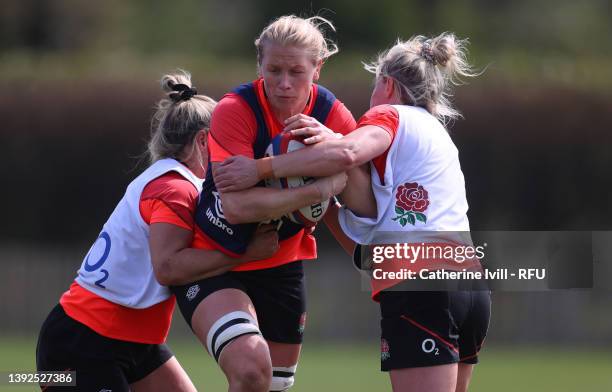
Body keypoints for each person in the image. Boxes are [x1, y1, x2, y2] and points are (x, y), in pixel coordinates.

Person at [215, 33, 491, 392]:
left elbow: (346, 156)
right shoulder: (435, 134)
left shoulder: (388, 114)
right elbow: (369, 225)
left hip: (421, 285)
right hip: (470, 285)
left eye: (374, 86)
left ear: (387, 84)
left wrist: (261, 170)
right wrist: (320, 185)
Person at [36, 70, 278, 392]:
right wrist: (247, 252)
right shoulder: (174, 188)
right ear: (204, 141)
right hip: (81, 344)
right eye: (224, 143)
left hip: (134, 341)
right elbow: (168, 267)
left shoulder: (173, 181)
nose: (231, 153)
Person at [169, 15, 355, 392]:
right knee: (252, 370)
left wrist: (264, 173)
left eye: (296, 71)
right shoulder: (236, 109)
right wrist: (318, 189)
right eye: (274, 70)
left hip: (283, 265)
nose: (284, 83)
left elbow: (356, 181)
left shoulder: (332, 115)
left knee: (275, 386)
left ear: (318, 69)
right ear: (260, 65)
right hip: (216, 261)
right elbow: (238, 209)